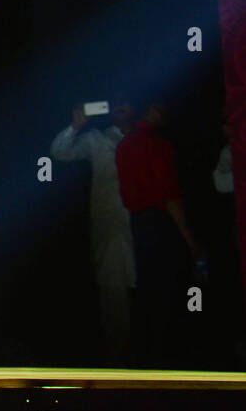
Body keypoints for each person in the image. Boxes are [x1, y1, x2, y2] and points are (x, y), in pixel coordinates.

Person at [114, 100, 204, 366]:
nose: (166, 115)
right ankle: (171, 358)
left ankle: (147, 357)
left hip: (139, 223)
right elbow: (169, 194)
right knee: (169, 293)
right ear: (153, 110)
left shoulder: (125, 144)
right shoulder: (157, 144)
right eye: (163, 109)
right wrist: (189, 238)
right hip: (161, 224)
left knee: (148, 291)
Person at [50, 100, 135, 363]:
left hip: (145, 227)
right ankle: (117, 362)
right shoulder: (97, 139)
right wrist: (76, 126)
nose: (121, 108)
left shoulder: (146, 138)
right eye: (116, 104)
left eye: (126, 103)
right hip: (111, 228)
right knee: (113, 295)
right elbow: (59, 152)